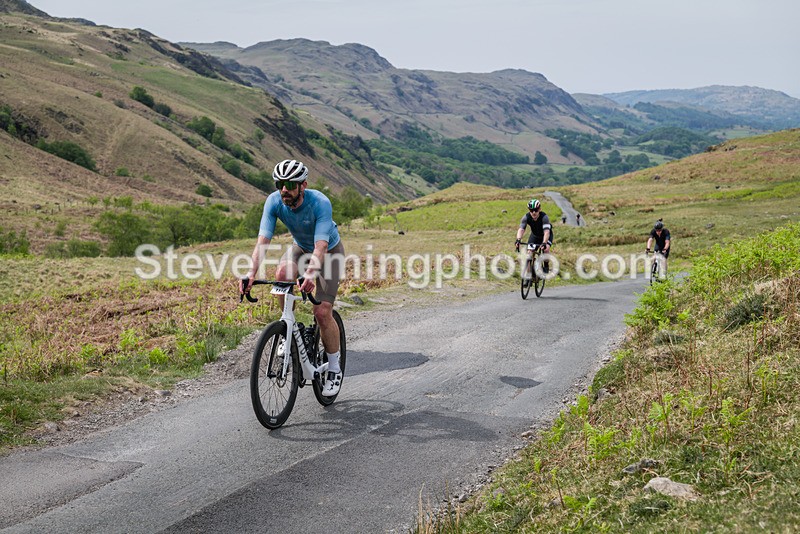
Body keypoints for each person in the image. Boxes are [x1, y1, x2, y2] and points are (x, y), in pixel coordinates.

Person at [240, 159, 345, 397]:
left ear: (303, 185)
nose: (283, 189)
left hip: (328, 252)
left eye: (289, 184)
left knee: (322, 312)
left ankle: (335, 369)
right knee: (281, 275)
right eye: (280, 184)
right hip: (300, 247)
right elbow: (262, 243)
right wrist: (250, 274)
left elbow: (320, 247)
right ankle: (289, 328)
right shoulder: (274, 201)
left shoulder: (320, 203)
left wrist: (310, 274)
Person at [515, 198, 553, 274]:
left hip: (545, 235)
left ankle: (546, 265)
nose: (534, 212)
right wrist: (518, 239)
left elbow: (546, 232)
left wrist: (544, 243)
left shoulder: (544, 217)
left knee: (546, 250)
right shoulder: (526, 217)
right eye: (531, 210)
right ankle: (529, 275)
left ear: (540, 209)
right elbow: (521, 229)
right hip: (535, 236)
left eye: (536, 210)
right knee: (529, 253)